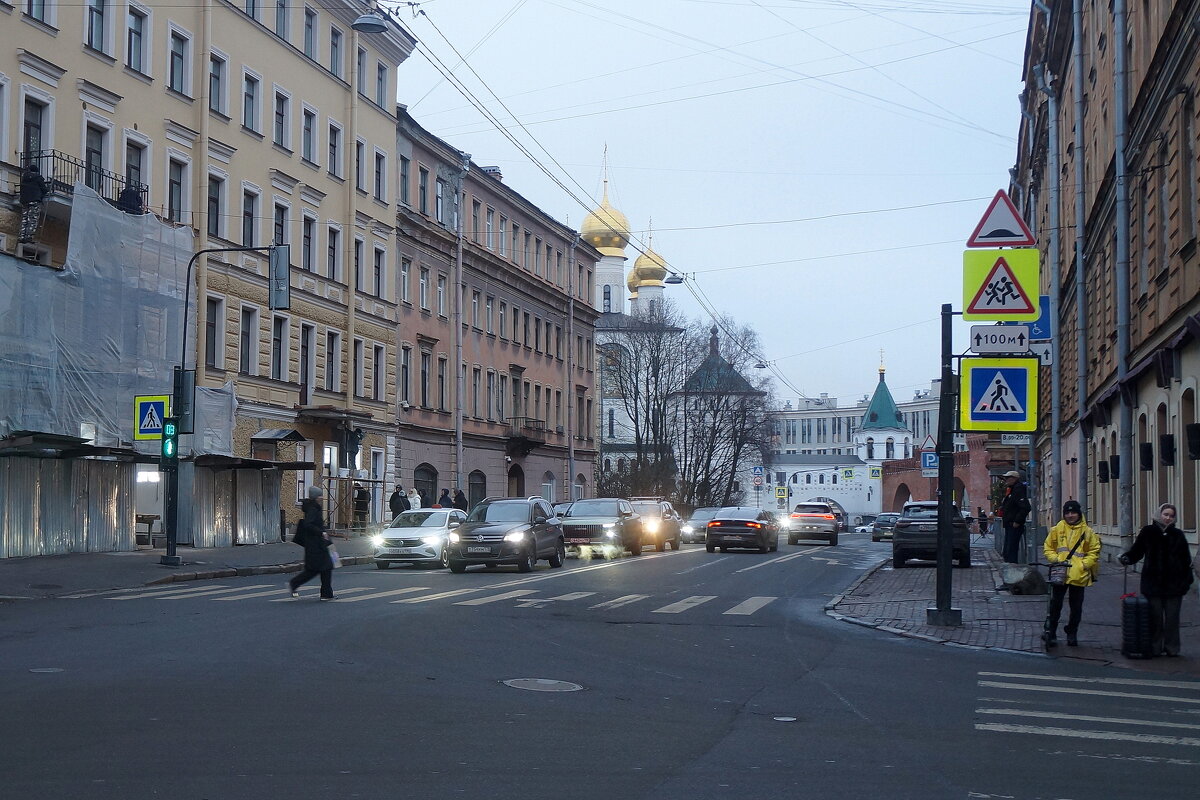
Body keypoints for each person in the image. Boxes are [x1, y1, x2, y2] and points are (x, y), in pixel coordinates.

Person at [1119, 503, 1194, 657]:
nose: (1168, 518)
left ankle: (1172, 648)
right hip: (1153, 584)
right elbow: (1137, 551)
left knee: (1172, 619)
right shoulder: (1148, 532)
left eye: (1171, 516)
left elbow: (1185, 559)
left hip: (1174, 585)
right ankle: (1154, 647)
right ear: (1159, 515)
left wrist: (1186, 581)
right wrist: (1127, 558)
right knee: (1155, 618)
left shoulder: (1178, 535)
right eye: (1165, 514)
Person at [1041, 500, 1101, 647]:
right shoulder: (1057, 529)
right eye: (1067, 513)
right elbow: (1048, 547)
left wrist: (1084, 565)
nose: (1070, 515)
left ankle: (1072, 632)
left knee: (1076, 607)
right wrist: (1055, 559)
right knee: (1055, 604)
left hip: (1078, 574)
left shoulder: (1087, 532)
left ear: (1079, 513)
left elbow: (1094, 551)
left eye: (1073, 512)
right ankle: (1051, 632)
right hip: (1060, 572)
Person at [288, 487, 335, 600]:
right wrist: (321, 533)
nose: (322, 498)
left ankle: (325, 594)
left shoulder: (313, 507)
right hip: (315, 545)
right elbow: (308, 524)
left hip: (316, 544)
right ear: (315, 497)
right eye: (320, 496)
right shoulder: (313, 508)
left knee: (319, 569)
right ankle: (325, 594)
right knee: (322, 568)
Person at [998, 470, 1030, 563]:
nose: (1006, 480)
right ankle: (1010, 568)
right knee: (1008, 551)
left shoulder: (1018, 489)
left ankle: (1012, 570)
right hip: (1010, 524)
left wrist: (1017, 521)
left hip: (1014, 524)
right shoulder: (1012, 489)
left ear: (1015, 478)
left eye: (1008, 478)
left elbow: (1025, 507)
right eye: (1006, 478)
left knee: (1011, 550)